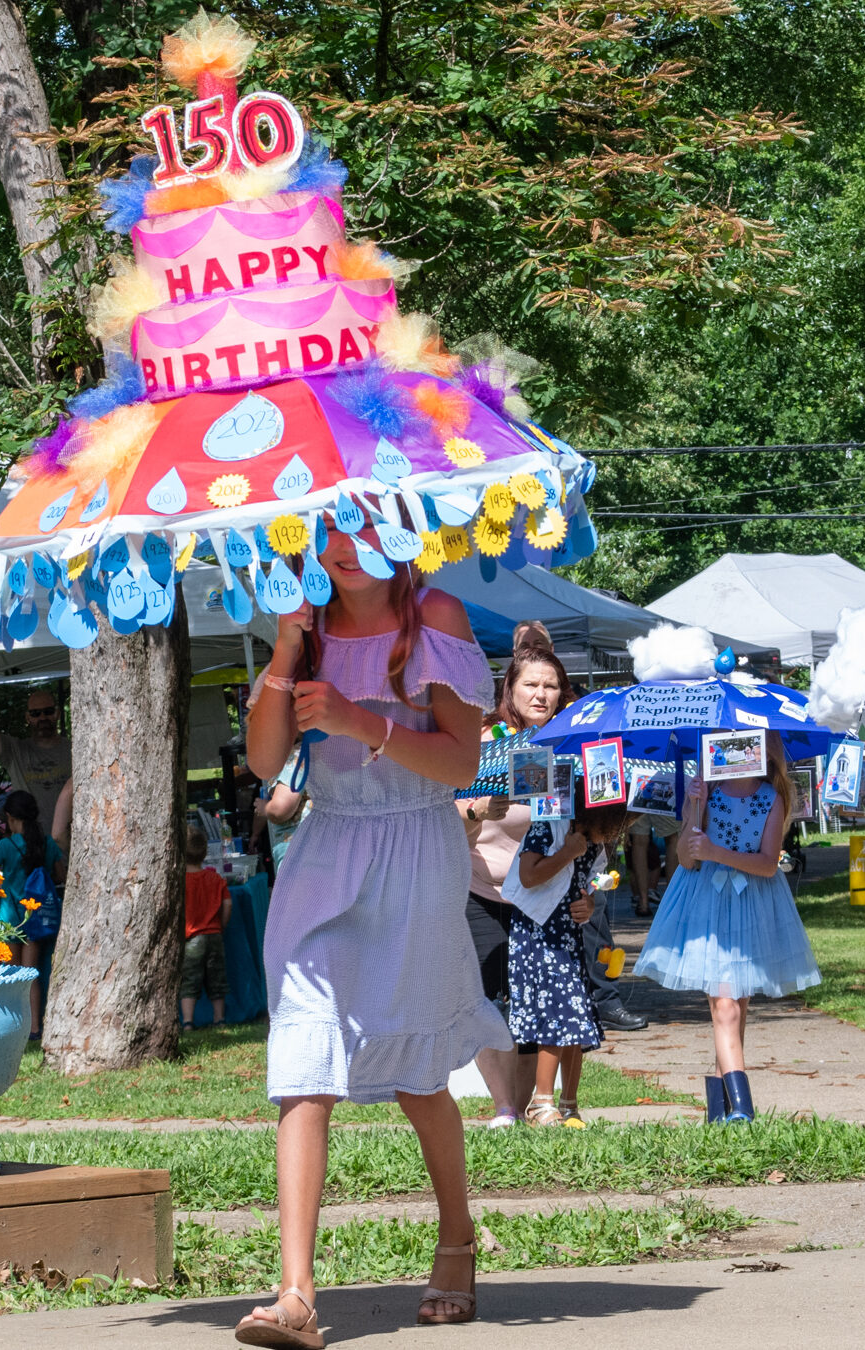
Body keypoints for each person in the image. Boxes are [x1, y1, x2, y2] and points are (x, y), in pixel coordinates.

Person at [240, 527, 506, 1345]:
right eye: (324, 531)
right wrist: (287, 644)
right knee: (303, 1057)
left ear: (404, 528)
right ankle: (295, 1293)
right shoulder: (307, 627)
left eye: (364, 525)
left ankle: (457, 1237)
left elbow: (464, 766)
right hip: (327, 851)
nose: (343, 547)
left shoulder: (438, 614)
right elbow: (262, 760)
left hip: (416, 848)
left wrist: (362, 721)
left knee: (418, 1074)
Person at [634, 738, 817, 1124]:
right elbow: (685, 858)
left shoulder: (771, 797)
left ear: (764, 749)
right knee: (725, 1005)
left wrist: (717, 852)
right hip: (708, 906)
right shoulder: (708, 791)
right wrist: (691, 812)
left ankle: (720, 1110)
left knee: (736, 1007)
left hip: (751, 903)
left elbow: (768, 864)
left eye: (746, 742)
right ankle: (742, 1107)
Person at [458, 622, 563, 1128]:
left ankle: (525, 1108)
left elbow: (579, 823)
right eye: (531, 685)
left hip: (539, 894)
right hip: (479, 889)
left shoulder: (565, 745)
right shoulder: (482, 740)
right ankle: (503, 1106)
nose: (541, 694)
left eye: (550, 686)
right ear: (511, 689)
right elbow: (443, 816)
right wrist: (478, 809)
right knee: (483, 998)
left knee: (531, 1002)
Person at [503, 798, 630, 1127]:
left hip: (568, 936)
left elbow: (586, 885)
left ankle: (568, 1103)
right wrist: (567, 853)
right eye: (613, 826)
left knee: (577, 1014)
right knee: (558, 1013)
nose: (614, 835)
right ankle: (540, 1103)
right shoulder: (549, 826)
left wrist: (587, 903)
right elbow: (528, 876)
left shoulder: (591, 842)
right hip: (538, 935)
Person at [0, 790, 66, 1039]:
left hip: (11, 919)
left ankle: (15, 1027)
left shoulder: (5, 846)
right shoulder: (46, 843)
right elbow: (59, 875)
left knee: (13, 977)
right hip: (36, 919)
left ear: (10, 817)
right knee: (31, 973)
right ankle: (35, 1027)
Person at [0, 655, 71, 819]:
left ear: (57, 714)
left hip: (70, 843)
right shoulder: (15, 751)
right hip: (29, 844)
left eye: (48, 711)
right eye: (35, 713)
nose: (42, 718)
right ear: (28, 718)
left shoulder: (75, 750)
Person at [181, 824, 232, 1030]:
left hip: (191, 938)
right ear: (204, 853)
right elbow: (228, 904)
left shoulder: (179, 881)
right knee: (217, 980)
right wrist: (222, 924)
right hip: (214, 935)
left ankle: (187, 1022)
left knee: (189, 981)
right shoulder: (216, 878)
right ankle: (219, 1019)